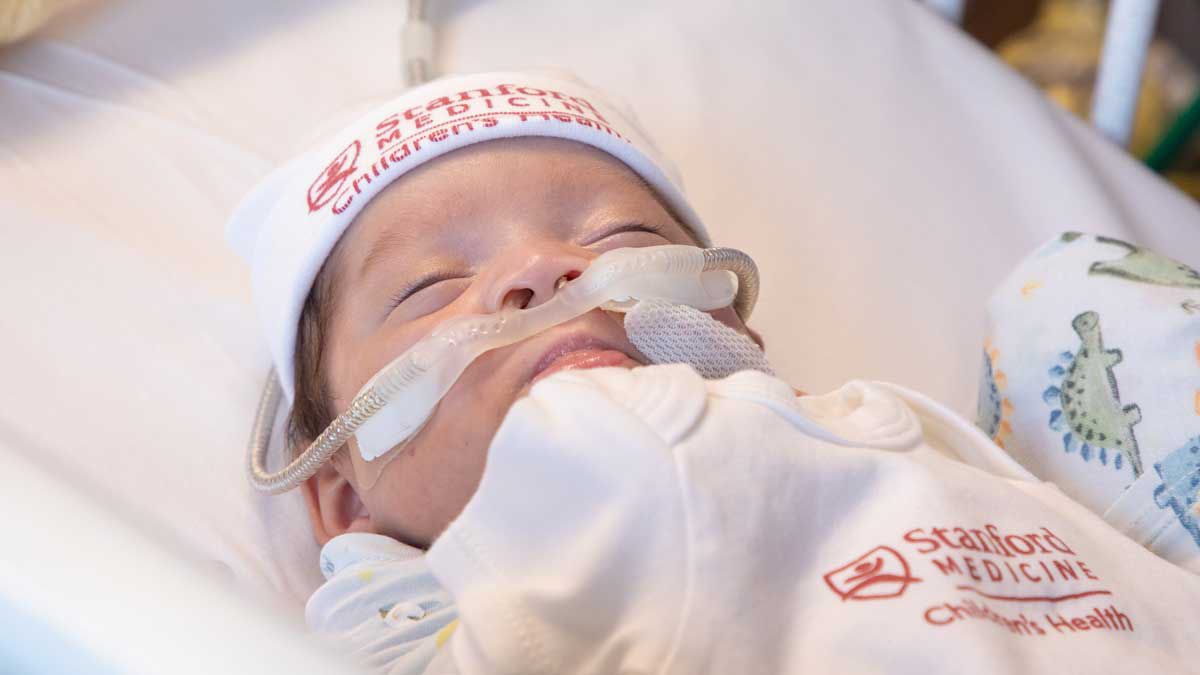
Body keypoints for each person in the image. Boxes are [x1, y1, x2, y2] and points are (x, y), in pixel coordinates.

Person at [227, 71, 1200, 675]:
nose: (544, 272)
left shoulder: (900, 440)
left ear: (737, 333)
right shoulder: (450, 627)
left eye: (621, 236)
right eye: (432, 286)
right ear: (344, 502)